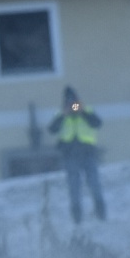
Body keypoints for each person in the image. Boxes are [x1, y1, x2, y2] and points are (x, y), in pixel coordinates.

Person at [48, 86, 106, 223]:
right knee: (74, 187)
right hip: (70, 155)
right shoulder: (61, 114)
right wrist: (63, 115)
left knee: (94, 183)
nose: (72, 106)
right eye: (69, 103)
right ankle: (77, 217)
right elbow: (52, 129)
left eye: (74, 102)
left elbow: (97, 123)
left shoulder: (87, 111)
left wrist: (82, 112)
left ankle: (101, 212)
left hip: (88, 153)